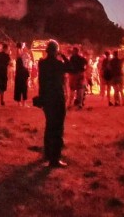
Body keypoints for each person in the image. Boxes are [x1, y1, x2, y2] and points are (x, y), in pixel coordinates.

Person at [35, 39, 70, 168]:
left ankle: (48, 153)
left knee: (49, 126)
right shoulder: (58, 63)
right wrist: (64, 56)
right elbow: (71, 68)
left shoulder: (42, 64)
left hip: (46, 98)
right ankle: (54, 159)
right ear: (56, 51)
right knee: (58, 128)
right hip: (57, 98)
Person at [13, 42, 31, 107]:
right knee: (19, 87)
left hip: (24, 72)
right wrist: (21, 48)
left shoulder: (25, 54)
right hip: (20, 73)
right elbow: (19, 55)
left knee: (24, 88)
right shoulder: (19, 53)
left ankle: (23, 102)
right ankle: (19, 102)